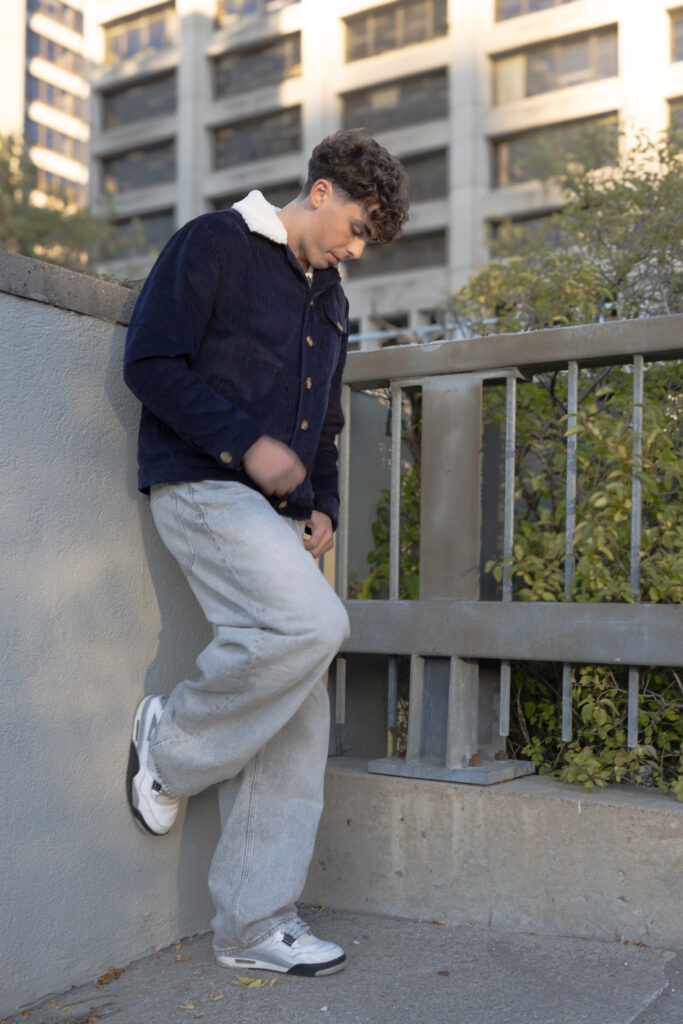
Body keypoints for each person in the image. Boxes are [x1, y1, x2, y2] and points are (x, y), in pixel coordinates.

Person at [123, 129, 409, 977]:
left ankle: (254, 926)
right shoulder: (213, 243)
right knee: (313, 628)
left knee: (297, 707)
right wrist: (245, 446)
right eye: (354, 226)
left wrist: (319, 502)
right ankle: (170, 748)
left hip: (277, 515)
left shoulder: (330, 299)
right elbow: (152, 362)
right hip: (202, 488)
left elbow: (323, 423)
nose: (354, 247)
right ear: (319, 191)